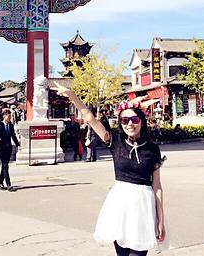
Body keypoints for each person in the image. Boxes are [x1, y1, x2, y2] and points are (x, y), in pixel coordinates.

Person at [57, 84, 167, 255]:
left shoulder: (152, 149)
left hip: (143, 207)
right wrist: (72, 96)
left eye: (134, 119)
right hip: (120, 205)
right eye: (124, 120)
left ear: (141, 121)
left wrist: (160, 219)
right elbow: (90, 118)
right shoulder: (115, 142)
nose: (129, 124)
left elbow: (157, 187)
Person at [0, 108, 20, 191]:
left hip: (9, 148)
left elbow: (13, 136)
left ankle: (0, 183)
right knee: (5, 166)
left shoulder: (11, 125)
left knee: (4, 166)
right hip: (1, 148)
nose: (9, 118)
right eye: (8, 116)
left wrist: (18, 144)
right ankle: (8, 185)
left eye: (10, 116)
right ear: (4, 116)